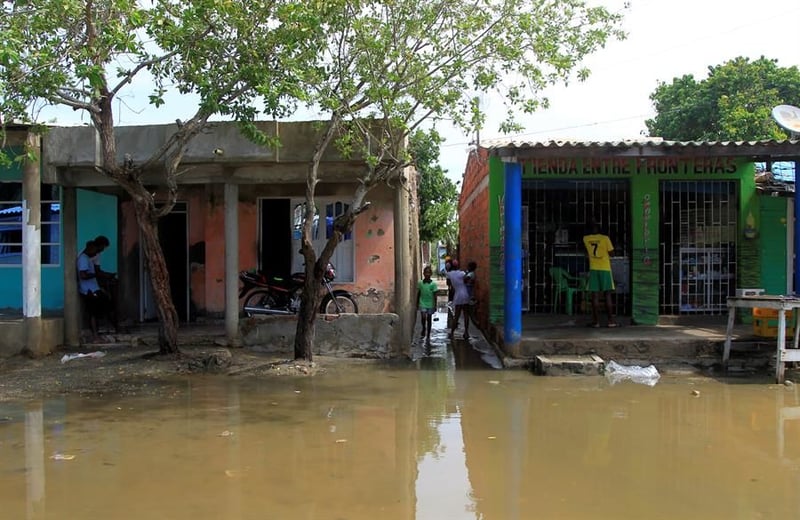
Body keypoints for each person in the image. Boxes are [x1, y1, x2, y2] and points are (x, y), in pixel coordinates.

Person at [78, 240, 117, 342]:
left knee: (106, 306)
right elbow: (83, 275)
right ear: (90, 248)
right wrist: (96, 275)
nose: (97, 252)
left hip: (93, 288)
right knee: (94, 313)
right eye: (96, 250)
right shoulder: (83, 259)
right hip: (89, 290)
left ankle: (103, 332)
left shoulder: (88, 258)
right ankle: (95, 336)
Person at [582, 222, 617, 328]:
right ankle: (610, 321)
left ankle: (596, 322)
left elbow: (586, 253)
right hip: (605, 269)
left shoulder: (586, 239)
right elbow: (612, 253)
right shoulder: (605, 238)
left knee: (595, 296)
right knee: (607, 295)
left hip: (593, 269)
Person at [446, 261, 471, 339]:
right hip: (465, 294)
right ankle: (466, 332)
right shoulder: (462, 273)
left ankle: (452, 333)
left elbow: (449, 284)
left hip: (458, 295)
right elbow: (467, 279)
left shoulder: (449, 274)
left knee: (457, 315)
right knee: (466, 314)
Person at [416, 265, 438, 343]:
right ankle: (423, 328)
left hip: (430, 304)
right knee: (423, 317)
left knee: (429, 318)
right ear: (423, 273)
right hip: (422, 303)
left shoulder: (433, 284)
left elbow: (435, 295)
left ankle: (428, 333)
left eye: (429, 273)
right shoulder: (420, 283)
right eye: (426, 272)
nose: (427, 274)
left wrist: (435, 305)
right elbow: (418, 293)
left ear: (431, 274)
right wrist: (417, 303)